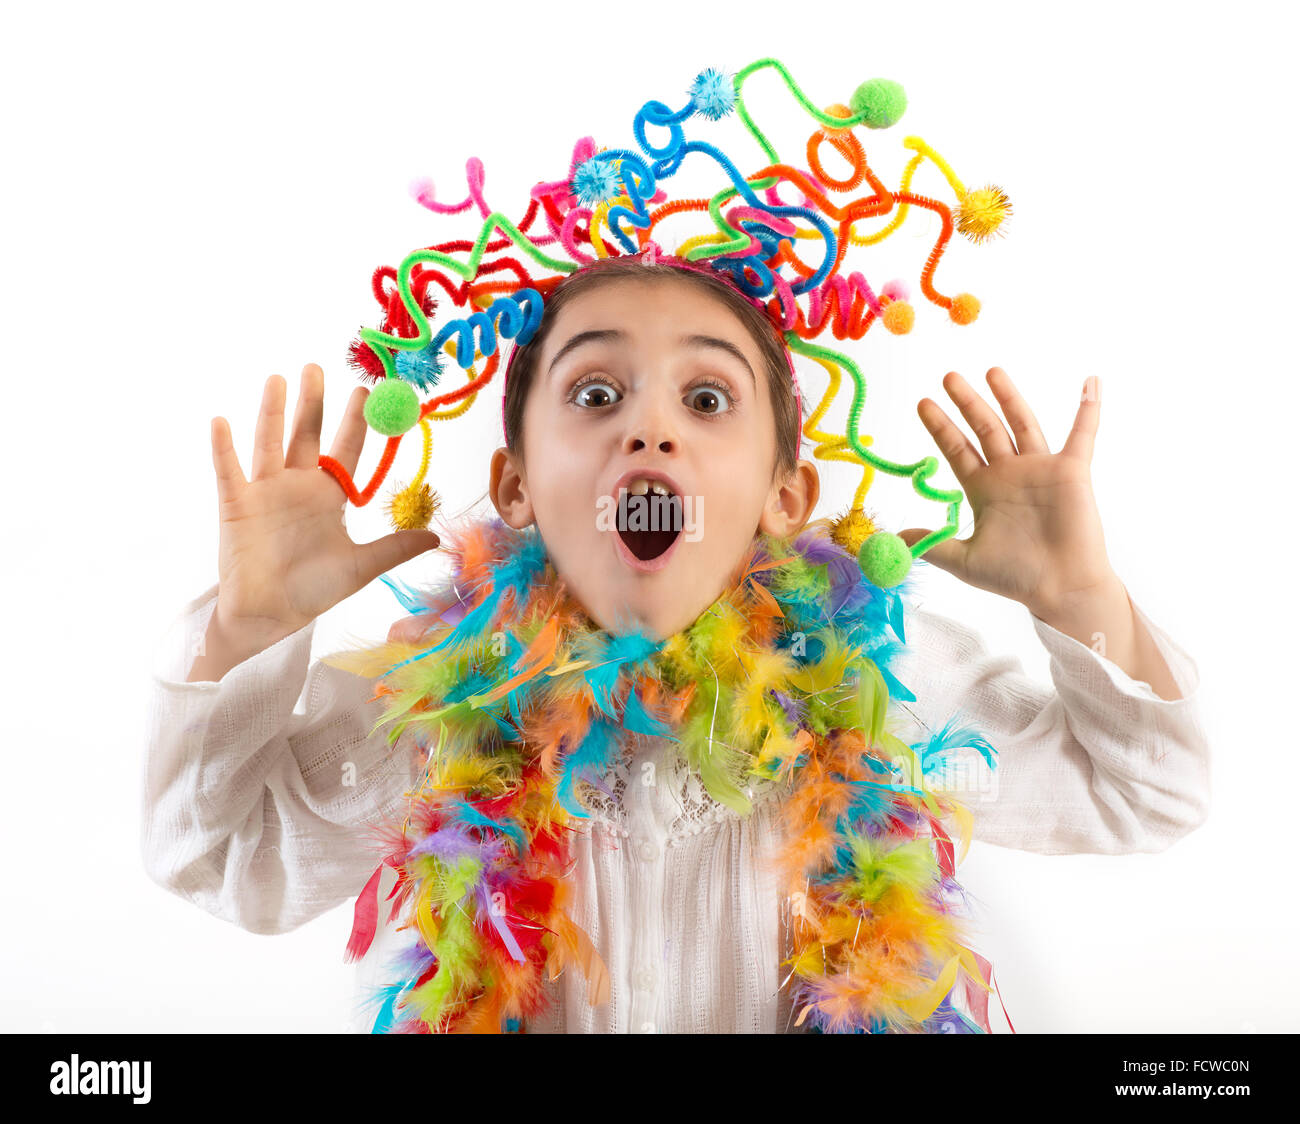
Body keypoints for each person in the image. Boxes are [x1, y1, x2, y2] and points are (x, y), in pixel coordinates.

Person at [142, 255, 1210, 1033]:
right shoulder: (441, 701)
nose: (648, 428)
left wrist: (1080, 595)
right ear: (515, 486)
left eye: (707, 398)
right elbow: (223, 859)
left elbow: (1143, 791)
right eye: (595, 393)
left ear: (784, 497)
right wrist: (250, 630)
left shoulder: (882, 688)